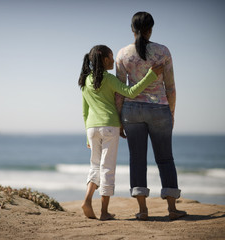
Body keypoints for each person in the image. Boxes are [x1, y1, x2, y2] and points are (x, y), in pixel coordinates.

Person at [115, 12, 187, 221]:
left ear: (132, 29)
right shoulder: (163, 51)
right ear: (150, 29)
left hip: (131, 111)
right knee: (165, 158)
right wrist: (171, 114)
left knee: (137, 159)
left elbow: (120, 91)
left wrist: (120, 119)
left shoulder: (122, 54)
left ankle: (142, 210)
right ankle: (172, 209)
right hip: (159, 110)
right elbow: (170, 87)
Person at [79, 45, 163, 220]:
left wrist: (87, 133)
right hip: (109, 126)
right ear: (104, 59)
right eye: (111, 56)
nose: (113, 60)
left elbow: (85, 111)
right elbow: (130, 92)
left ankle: (87, 200)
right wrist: (151, 76)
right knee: (107, 168)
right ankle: (103, 212)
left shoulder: (85, 80)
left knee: (95, 166)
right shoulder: (108, 78)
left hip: (92, 129)